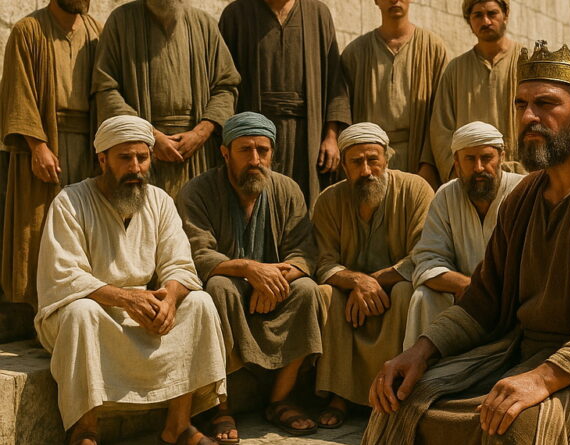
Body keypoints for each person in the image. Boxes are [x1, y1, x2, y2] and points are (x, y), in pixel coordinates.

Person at [362, 42, 570, 445]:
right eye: (521, 105)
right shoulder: (525, 196)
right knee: (401, 402)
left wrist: (544, 378)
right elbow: (483, 300)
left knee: (515, 427)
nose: (529, 117)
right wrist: (420, 351)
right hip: (519, 355)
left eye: (547, 104)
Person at [35, 115, 226, 445]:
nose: (136, 167)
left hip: (139, 310)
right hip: (84, 313)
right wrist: (127, 299)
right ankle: (84, 430)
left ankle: (178, 426)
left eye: (142, 157)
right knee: (82, 313)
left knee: (199, 302)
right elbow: (65, 277)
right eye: (125, 158)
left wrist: (169, 299)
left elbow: (180, 265)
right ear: (103, 159)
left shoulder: (159, 201)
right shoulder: (71, 201)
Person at [177, 112, 326, 440]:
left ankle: (280, 399)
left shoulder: (287, 189)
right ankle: (221, 408)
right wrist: (248, 269)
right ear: (225, 152)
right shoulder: (198, 191)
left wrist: (274, 277)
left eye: (263, 150)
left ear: (273, 152)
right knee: (218, 288)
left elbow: (304, 251)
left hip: (274, 288)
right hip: (228, 285)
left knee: (309, 290)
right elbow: (197, 253)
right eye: (245, 150)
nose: (255, 159)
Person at [312, 122, 434, 427]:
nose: (366, 170)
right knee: (325, 293)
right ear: (343, 167)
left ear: (387, 159)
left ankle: (391, 389)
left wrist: (374, 281)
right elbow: (324, 262)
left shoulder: (416, 189)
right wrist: (356, 281)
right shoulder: (328, 200)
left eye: (373, 160)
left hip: (395, 288)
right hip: (348, 294)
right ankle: (339, 395)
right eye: (356, 162)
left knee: (409, 292)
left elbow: (423, 254)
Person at [0, 0, 101, 313]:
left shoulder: (96, 32)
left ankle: (83, 307)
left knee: (86, 226)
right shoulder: (27, 30)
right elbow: (18, 91)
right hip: (46, 140)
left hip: (89, 143)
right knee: (40, 227)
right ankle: (39, 312)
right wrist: (37, 145)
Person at [92, 0, 240, 198]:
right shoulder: (120, 21)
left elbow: (226, 86)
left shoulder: (204, 24)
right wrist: (150, 136)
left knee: (194, 221)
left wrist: (200, 133)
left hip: (196, 154)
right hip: (141, 151)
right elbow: (105, 88)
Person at [403, 121, 523, 350]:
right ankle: (417, 369)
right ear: (456, 164)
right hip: (463, 297)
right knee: (423, 296)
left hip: (511, 298)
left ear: (501, 158)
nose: (479, 167)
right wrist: (466, 285)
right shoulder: (446, 196)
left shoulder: (523, 191)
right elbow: (428, 259)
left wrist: (488, 291)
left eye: (486, 158)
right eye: (469, 159)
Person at [219, 0, 351, 206]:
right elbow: (224, 84)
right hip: (255, 136)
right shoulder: (235, 15)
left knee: (304, 205)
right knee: (255, 204)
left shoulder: (318, 14)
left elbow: (335, 82)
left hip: (308, 136)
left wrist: (332, 137)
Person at [341, 0, 448, 189]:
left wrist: (428, 163)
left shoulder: (433, 48)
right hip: (370, 158)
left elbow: (442, 115)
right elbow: (342, 111)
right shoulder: (355, 52)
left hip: (417, 158)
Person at [430, 0, 523, 182]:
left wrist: (528, 172)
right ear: (469, 20)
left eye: (492, 13)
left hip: (520, 176)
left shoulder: (526, 62)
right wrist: (459, 173)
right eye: (478, 15)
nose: (486, 21)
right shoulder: (455, 70)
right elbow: (440, 129)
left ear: (505, 15)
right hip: (470, 179)